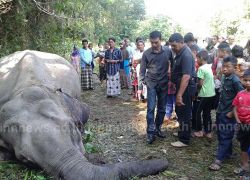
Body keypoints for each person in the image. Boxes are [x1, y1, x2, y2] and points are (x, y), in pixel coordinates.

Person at [209, 56, 244, 171]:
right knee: (220, 133)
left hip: (228, 113)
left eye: (227, 67)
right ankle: (227, 153)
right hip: (221, 110)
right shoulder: (224, 77)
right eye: (223, 66)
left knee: (225, 135)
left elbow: (241, 98)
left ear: (234, 67)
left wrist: (232, 112)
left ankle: (219, 159)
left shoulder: (235, 81)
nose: (224, 69)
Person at [139, 31, 172, 144]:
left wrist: (171, 76)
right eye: (152, 42)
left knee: (162, 108)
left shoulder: (168, 51)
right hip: (151, 83)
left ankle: (158, 128)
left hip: (163, 83)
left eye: (156, 42)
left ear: (161, 40)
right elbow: (142, 70)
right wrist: (143, 82)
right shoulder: (147, 53)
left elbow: (172, 62)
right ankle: (150, 133)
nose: (154, 45)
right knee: (151, 109)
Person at [169, 33, 197, 148]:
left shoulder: (186, 55)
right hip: (181, 87)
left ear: (182, 42)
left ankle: (184, 139)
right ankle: (182, 131)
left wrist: (179, 95)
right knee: (180, 111)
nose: (172, 48)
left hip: (186, 88)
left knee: (184, 112)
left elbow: (186, 77)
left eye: (174, 45)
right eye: (171, 46)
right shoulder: (180, 52)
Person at [192, 50, 215, 138]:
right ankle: (208, 132)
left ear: (201, 58)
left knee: (197, 112)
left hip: (203, 94)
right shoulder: (208, 67)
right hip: (211, 94)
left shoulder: (201, 69)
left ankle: (199, 131)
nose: (196, 60)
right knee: (207, 113)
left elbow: (200, 84)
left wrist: (195, 93)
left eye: (197, 58)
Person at [233, 69, 250, 176]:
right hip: (242, 124)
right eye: (245, 80)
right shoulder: (240, 94)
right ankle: (244, 166)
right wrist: (238, 120)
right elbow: (235, 107)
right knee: (243, 145)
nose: (248, 83)